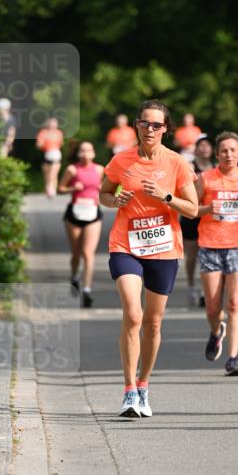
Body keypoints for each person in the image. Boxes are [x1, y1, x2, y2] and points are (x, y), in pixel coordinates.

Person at [99, 99, 198, 418]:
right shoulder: (121, 160)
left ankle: (143, 385)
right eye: (145, 123)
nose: (150, 129)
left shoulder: (177, 163)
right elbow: (103, 194)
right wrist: (115, 200)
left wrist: (166, 197)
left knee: (153, 322)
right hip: (125, 245)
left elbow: (193, 209)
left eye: (156, 124)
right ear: (136, 126)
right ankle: (128, 391)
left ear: (166, 129)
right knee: (133, 312)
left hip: (163, 248)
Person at [196, 132, 238, 375]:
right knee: (213, 309)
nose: (228, 154)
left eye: (233, 150)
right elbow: (190, 210)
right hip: (210, 245)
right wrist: (208, 208)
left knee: (234, 303)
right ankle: (216, 331)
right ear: (217, 153)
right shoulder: (205, 178)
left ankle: (233, 357)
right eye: (224, 150)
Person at [58, 141, 105, 308]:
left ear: (93, 153)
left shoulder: (100, 170)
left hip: (93, 212)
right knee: (76, 253)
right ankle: (74, 277)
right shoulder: (72, 169)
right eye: (83, 150)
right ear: (78, 153)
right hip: (75, 212)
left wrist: (102, 189)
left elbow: (109, 188)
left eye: (89, 150)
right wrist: (73, 188)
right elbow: (60, 188)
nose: (86, 153)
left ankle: (86, 290)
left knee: (88, 253)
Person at [181, 134, 213, 306]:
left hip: (210, 217)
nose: (205, 148)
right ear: (196, 149)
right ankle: (191, 286)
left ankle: (204, 289)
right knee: (192, 255)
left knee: (207, 255)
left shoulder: (217, 167)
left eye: (208, 145)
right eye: (201, 145)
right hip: (192, 216)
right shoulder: (190, 167)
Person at [35, 117, 65, 197]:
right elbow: (38, 144)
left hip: (55, 154)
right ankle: (49, 188)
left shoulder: (59, 133)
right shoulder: (43, 132)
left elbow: (61, 144)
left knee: (54, 173)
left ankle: (52, 190)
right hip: (46, 154)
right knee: (47, 174)